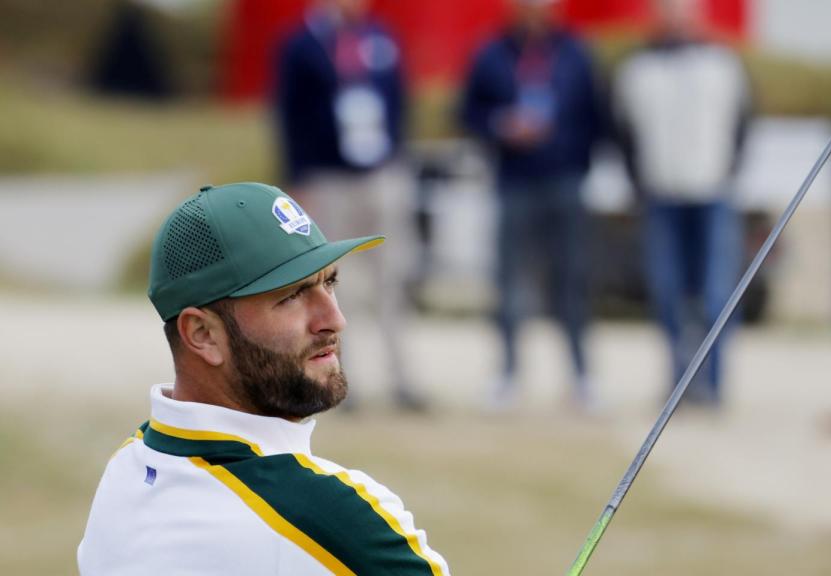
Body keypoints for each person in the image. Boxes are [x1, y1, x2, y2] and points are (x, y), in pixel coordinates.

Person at [78, 183, 450, 575]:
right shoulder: (331, 520)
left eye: (329, 283)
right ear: (202, 334)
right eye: (291, 295)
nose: (333, 320)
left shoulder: (128, 468)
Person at [275, 0, 425, 410]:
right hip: (328, 177)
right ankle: (342, 379)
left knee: (391, 277)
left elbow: (399, 101)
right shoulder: (302, 44)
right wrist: (298, 177)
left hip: (380, 173)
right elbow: (289, 115)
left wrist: (397, 157)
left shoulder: (379, 37)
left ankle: (402, 377)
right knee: (335, 284)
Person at [458, 0, 603, 411]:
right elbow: (469, 112)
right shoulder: (492, 52)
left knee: (572, 280)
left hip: (565, 180)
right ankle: (507, 374)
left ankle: (581, 376)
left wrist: (576, 160)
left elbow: (595, 114)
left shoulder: (575, 52)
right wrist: (501, 127)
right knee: (509, 282)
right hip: (514, 182)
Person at [613, 0, 751, 406]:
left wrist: (727, 173)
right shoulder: (637, 69)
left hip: (712, 192)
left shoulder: (724, 64)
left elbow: (743, 124)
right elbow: (624, 133)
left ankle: (713, 383)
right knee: (668, 292)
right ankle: (678, 380)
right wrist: (638, 182)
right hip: (662, 194)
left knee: (715, 294)